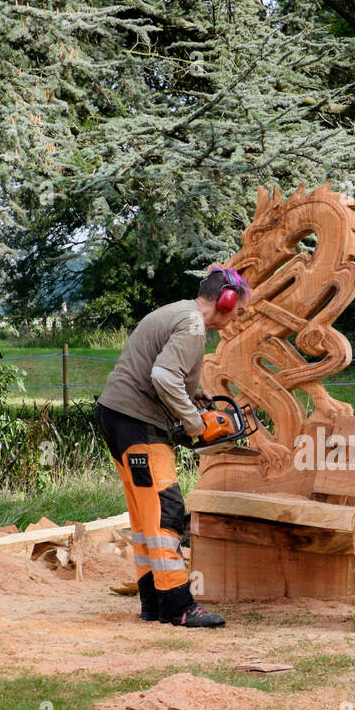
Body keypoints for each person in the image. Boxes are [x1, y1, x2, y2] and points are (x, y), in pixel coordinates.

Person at [95, 266, 249, 627]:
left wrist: (192, 395)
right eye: (239, 309)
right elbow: (162, 375)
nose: (238, 316)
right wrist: (196, 423)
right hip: (138, 421)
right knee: (165, 509)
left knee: (145, 513)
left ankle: (154, 604)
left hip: (117, 416)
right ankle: (179, 606)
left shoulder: (177, 311)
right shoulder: (194, 325)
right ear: (226, 301)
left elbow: (160, 369)